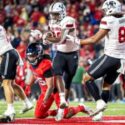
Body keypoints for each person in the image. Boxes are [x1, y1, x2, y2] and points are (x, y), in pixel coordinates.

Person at [78, 0, 125, 121]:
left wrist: (77, 42)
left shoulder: (108, 20)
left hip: (111, 56)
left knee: (86, 78)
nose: (104, 12)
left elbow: (94, 39)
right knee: (106, 85)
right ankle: (99, 114)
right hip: (122, 59)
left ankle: (99, 102)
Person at [26, 42, 92, 121]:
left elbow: (50, 86)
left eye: (33, 56)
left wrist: (45, 99)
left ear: (39, 54)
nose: (31, 58)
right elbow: (34, 74)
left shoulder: (45, 64)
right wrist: (28, 85)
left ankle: (81, 107)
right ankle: (56, 112)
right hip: (45, 91)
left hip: (55, 90)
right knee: (39, 115)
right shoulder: (32, 64)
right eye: (29, 56)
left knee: (66, 115)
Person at [43, 2, 80, 108]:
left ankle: (64, 105)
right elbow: (52, 33)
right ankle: (62, 99)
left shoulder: (69, 20)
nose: (53, 16)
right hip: (60, 53)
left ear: (62, 13)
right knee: (57, 73)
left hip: (72, 53)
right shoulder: (52, 21)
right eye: (52, 14)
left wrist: (46, 38)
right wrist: (48, 35)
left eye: (55, 14)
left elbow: (60, 39)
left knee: (68, 81)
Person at [0, 25, 33, 123]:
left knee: (6, 83)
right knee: (12, 84)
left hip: (7, 54)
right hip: (10, 53)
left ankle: (10, 109)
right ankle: (27, 103)